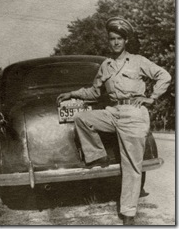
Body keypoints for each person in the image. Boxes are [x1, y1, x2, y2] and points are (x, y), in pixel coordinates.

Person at [57, 17, 171, 225]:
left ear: (126, 40)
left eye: (119, 38)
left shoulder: (138, 61)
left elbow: (164, 76)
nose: (116, 42)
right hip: (112, 111)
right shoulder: (106, 66)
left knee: (132, 165)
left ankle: (128, 213)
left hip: (133, 114)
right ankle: (98, 157)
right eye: (112, 39)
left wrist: (151, 98)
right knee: (83, 118)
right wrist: (72, 94)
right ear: (108, 41)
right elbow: (94, 91)